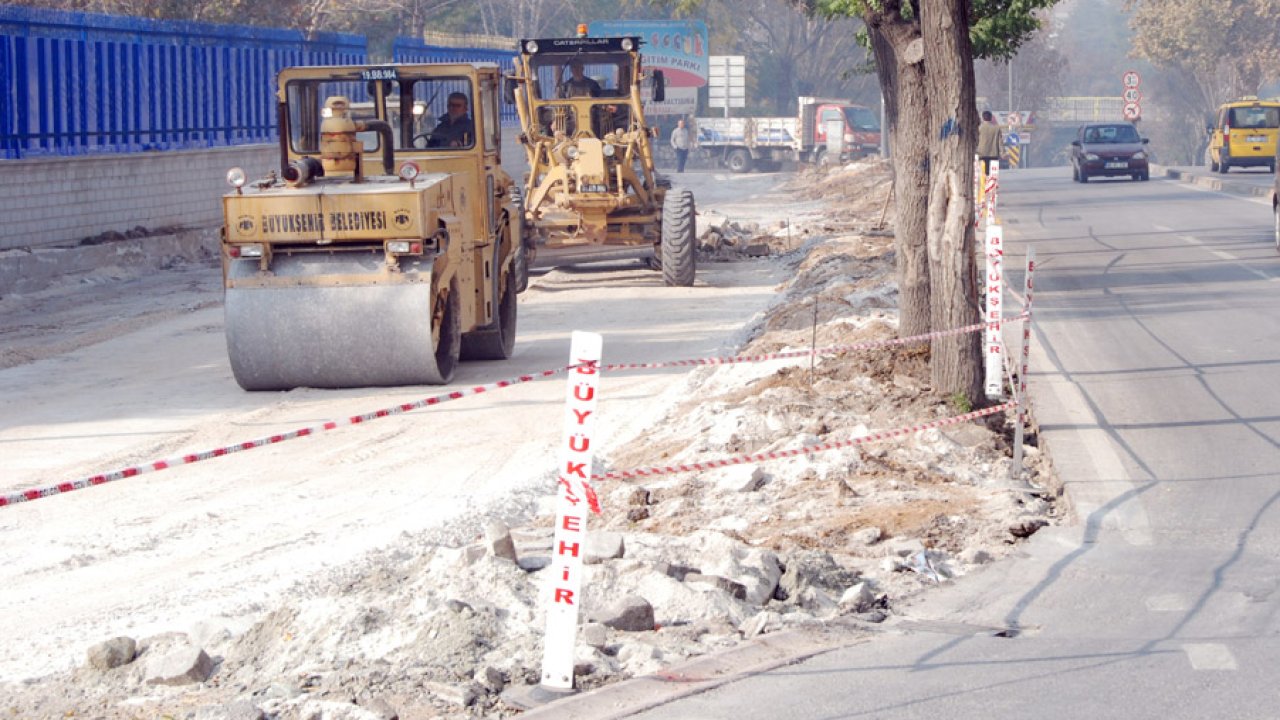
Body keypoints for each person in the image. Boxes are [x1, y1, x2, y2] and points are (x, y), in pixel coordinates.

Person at [977, 109, 1002, 175]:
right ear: (991, 118)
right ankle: (992, 185)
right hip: (994, 155)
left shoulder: (978, 128)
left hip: (981, 154)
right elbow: (1000, 142)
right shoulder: (997, 128)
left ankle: (984, 185)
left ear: (983, 117)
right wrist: (1003, 153)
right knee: (993, 175)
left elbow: (975, 141)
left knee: (983, 174)